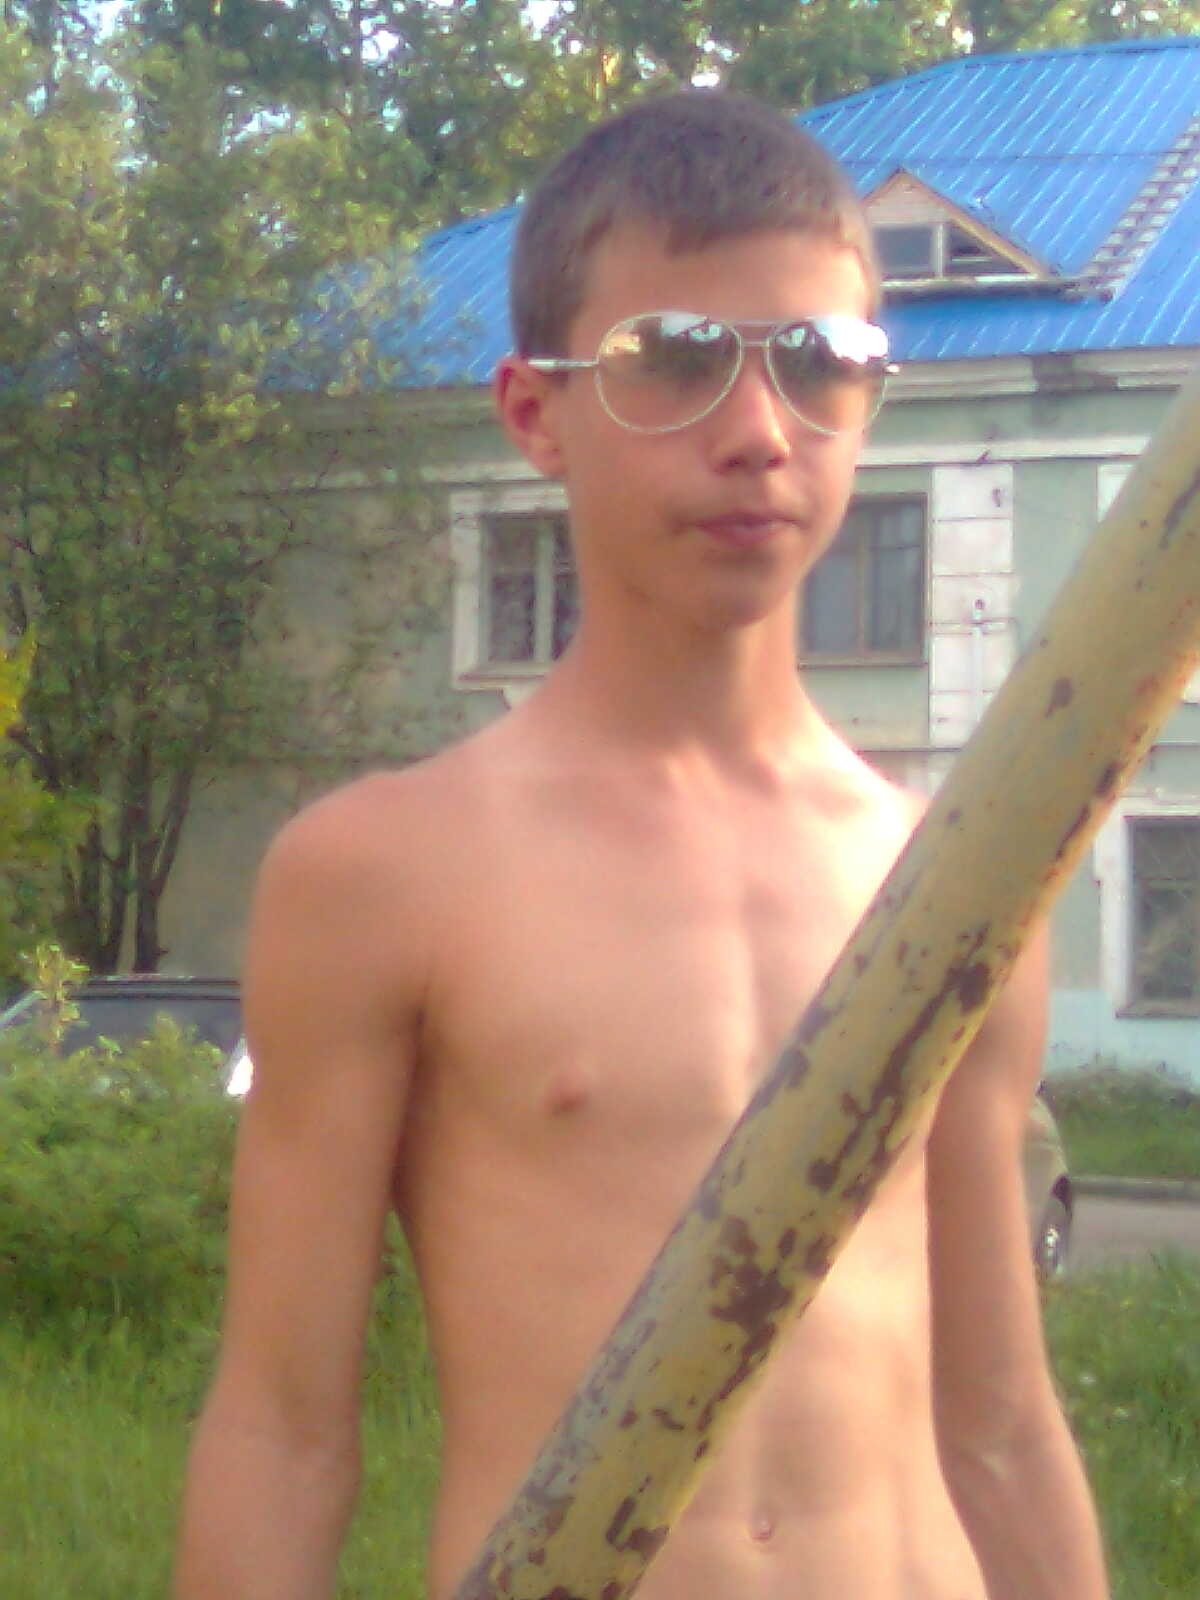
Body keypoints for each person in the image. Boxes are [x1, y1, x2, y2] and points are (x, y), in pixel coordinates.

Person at [174, 91, 1109, 1600]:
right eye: (674, 358)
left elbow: (998, 1422)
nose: (759, 432)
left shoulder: (954, 880)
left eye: (819, 360)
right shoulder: (385, 875)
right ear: (533, 411)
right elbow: (283, 1432)